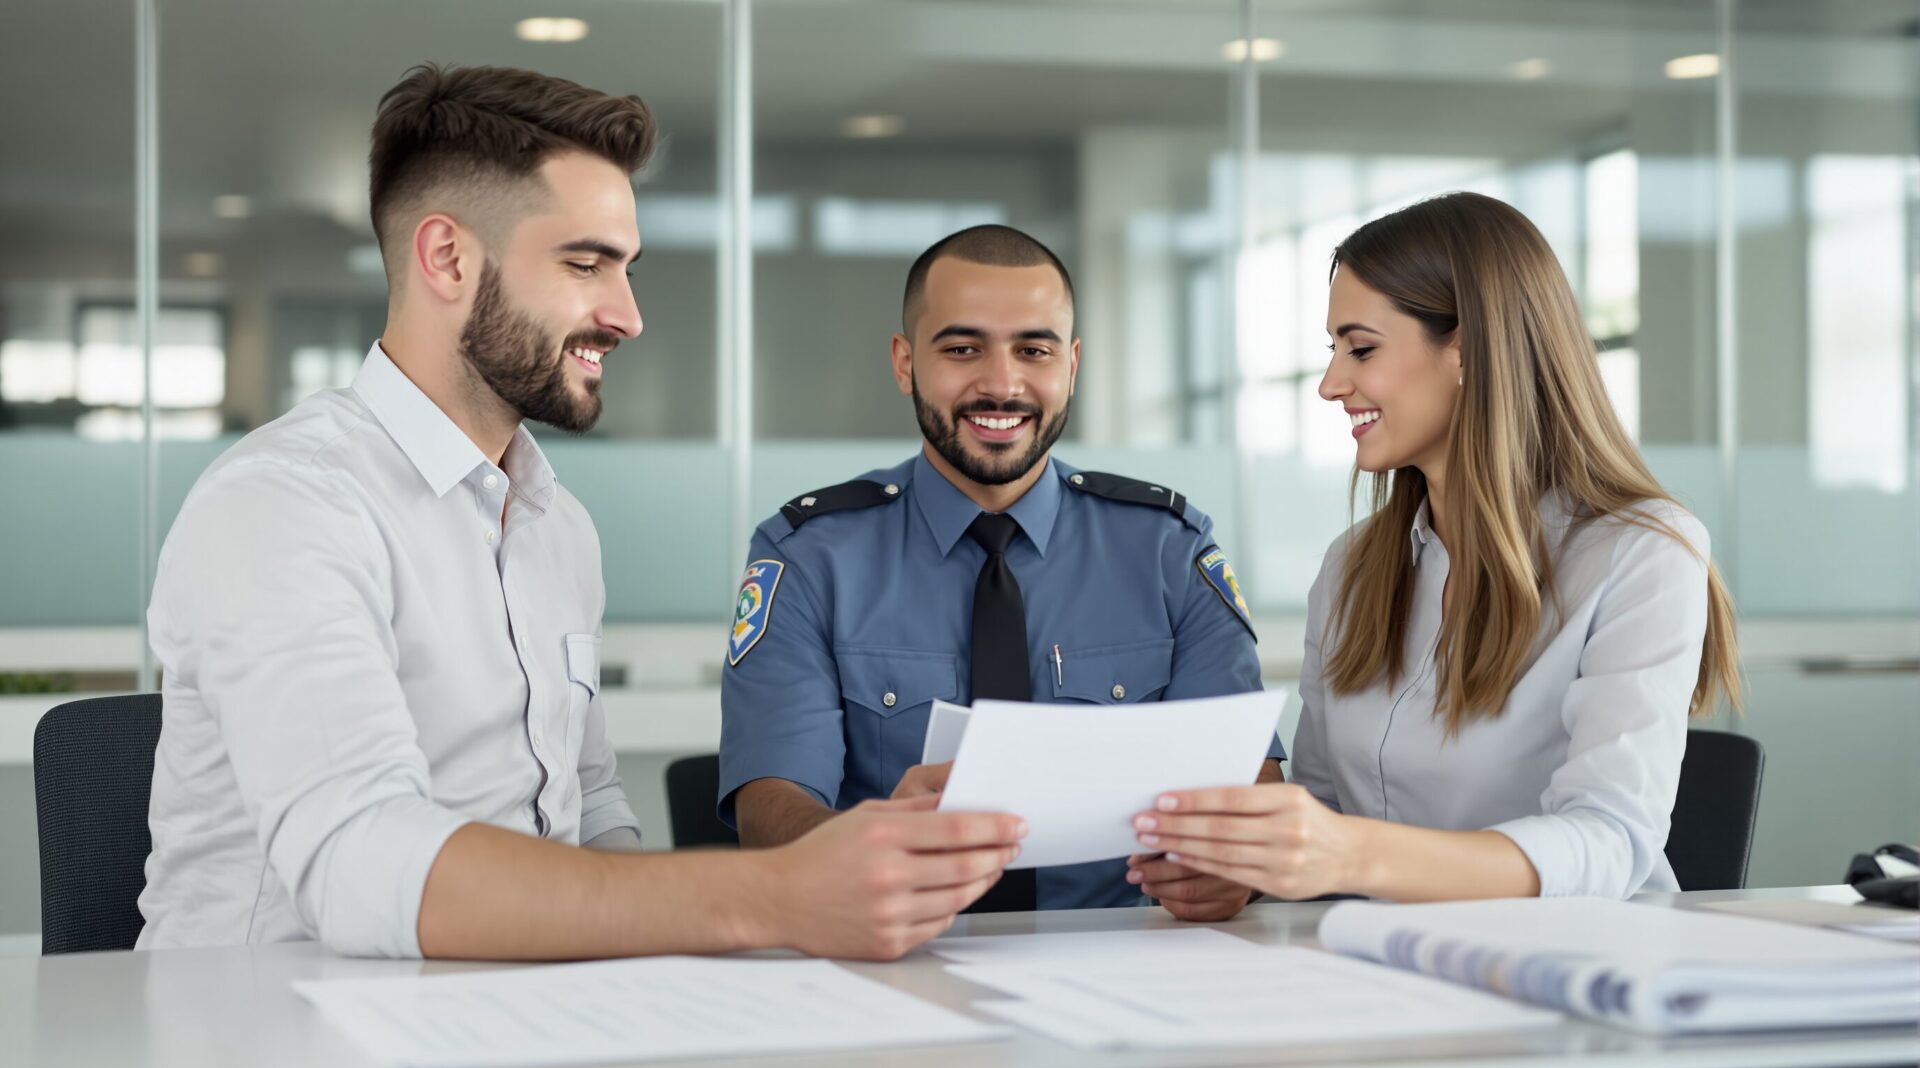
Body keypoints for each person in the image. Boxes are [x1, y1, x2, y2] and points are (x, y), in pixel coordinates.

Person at [137, 63, 1022, 962]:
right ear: (447, 258)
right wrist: (776, 894)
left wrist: (677, 966)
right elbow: (361, 864)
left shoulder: (557, 527)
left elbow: (587, 805)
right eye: (586, 264)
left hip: (514, 1006)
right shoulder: (283, 505)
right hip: (275, 1016)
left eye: (626, 269)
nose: (628, 316)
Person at [1131, 193, 1741, 902]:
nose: (1331, 385)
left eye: (1361, 349)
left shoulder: (1641, 554)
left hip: (1575, 956)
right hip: (1371, 954)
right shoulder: (1352, 570)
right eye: (1333, 351)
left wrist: (1350, 856)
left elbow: (1610, 841)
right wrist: (1244, 872)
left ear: (1468, 350)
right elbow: (1326, 812)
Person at [720, 224, 1283, 921]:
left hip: (1126, 953)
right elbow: (769, 810)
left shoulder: (1170, 549)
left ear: (1071, 366)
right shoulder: (808, 556)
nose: (1000, 384)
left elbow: (1250, 782)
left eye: (1033, 351)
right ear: (905, 363)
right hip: (893, 949)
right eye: (962, 349)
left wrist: (1237, 867)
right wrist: (867, 845)